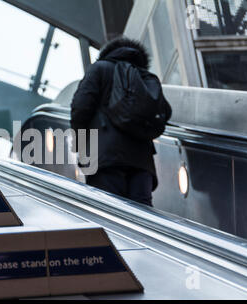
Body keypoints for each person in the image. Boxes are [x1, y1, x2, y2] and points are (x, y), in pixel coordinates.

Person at [70, 37, 171, 207]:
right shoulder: (145, 79)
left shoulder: (100, 69)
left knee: (110, 215)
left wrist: (81, 146)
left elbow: (80, 109)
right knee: (143, 222)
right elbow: (162, 114)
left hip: (106, 158)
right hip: (142, 164)